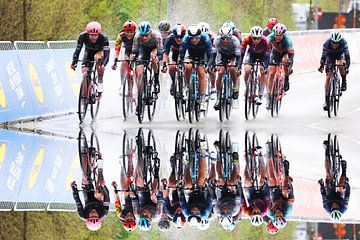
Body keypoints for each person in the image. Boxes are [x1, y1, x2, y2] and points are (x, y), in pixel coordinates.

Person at [178, 139, 213, 229]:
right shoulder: (205, 213)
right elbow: (210, 199)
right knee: (201, 178)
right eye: (196, 213)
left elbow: (182, 201)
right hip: (202, 196)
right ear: (200, 215)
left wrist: (181, 188)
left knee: (188, 184)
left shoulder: (186, 212)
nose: (194, 210)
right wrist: (208, 186)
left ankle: (186, 164)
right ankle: (202, 153)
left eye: (192, 213)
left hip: (191, 197)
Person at [208, 141, 242, 232]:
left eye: (224, 212)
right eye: (227, 212)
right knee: (232, 182)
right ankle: (235, 165)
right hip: (232, 196)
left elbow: (213, 196)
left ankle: (218, 152)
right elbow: (239, 194)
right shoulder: (235, 209)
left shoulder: (216, 210)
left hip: (222, 196)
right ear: (231, 213)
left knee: (220, 178)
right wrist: (238, 183)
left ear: (221, 213)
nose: (225, 210)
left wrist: (211, 186)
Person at [179, 24, 213, 111]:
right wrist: (180, 63)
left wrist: (208, 66)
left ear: (200, 36)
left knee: (202, 73)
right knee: (188, 66)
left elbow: (210, 55)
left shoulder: (205, 38)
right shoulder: (185, 39)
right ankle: (186, 85)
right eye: (192, 38)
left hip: (202, 55)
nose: (194, 40)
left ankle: (202, 99)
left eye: (197, 38)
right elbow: (182, 53)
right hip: (190, 54)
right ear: (189, 37)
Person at [71, 158, 110, 231]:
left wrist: (74, 190)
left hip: (88, 198)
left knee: (84, 178)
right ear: (99, 217)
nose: (93, 213)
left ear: (87, 217)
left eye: (92, 216)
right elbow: (107, 197)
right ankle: (100, 169)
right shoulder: (104, 213)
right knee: (98, 191)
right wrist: (103, 186)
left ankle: (86, 158)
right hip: (98, 199)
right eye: (95, 216)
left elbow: (78, 202)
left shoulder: (82, 215)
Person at [71, 21, 110, 93]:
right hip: (88, 52)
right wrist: (74, 62)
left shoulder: (104, 38)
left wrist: (103, 65)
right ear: (88, 34)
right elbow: (77, 50)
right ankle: (84, 97)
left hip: (99, 52)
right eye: (91, 35)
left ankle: (100, 82)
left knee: (97, 58)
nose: (93, 37)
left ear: (99, 34)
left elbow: (107, 55)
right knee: (84, 73)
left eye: (95, 35)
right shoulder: (82, 36)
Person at [211, 25, 241, 111]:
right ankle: (218, 98)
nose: (225, 40)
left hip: (232, 56)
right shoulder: (216, 40)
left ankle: (235, 86)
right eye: (223, 38)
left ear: (231, 37)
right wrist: (212, 64)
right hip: (222, 56)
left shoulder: (235, 41)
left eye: (227, 38)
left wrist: (238, 67)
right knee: (220, 73)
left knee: (232, 68)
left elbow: (238, 57)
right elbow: (213, 55)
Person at [318, 140, 350, 222]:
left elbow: (323, 195)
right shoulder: (344, 208)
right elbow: (347, 194)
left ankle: (327, 149)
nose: (335, 206)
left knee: (328, 174)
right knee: (340, 187)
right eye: (337, 208)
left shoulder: (326, 206)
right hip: (339, 196)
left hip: (330, 195)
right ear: (340, 210)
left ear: (330, 210)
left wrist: (322, 186)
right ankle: (344, 169)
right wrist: (346, 184)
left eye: (333, 208)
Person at [318, 30, 350, 111]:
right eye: (333, 43)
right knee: (328, 76)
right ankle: (326, 100)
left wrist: (347, 67)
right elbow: (323, 57)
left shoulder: (344, 43)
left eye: (337, 43)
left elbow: (347, 56)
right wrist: (321, 66)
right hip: (330, 56)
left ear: (340, 41)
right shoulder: (326, 43)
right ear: (330, 41)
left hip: (340, 55)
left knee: (341, 65)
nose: (335, 45)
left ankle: (343, 81)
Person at [266, 140, 294, 230]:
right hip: (285, 199)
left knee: (271, 177)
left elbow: (266, 199)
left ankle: (269, 154)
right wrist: (289, 182)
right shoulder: (287, 211)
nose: (278, 213)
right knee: (285, 190)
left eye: (276, 215)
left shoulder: (270, 213)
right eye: (280, 215)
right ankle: (286, 171)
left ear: (274, 217)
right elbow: (291, 197)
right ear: (283, 216)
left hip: (274, 198)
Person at [240, 26, 270, 105]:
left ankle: (260, 95)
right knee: (247, 70)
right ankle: (248, 87)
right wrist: (239, 65)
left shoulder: (265, 40)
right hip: (252, 54)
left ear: (261, 37)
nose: (256, 40)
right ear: (251, 36)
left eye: (258, 38)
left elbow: (267, 55)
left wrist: (265, 66)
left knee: (263, 72)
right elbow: (242, 53)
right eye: (254, 38)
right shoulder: (247, 39)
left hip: (263, 56)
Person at [130, 21, 163, 95]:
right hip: (143, 49)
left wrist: (158, 58)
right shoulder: (137, 36)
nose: (144, 37)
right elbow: (135, 51)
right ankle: (140, 96)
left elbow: (161, 53)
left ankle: (156, 79)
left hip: (154, 49)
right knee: (139, 70)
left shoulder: (157, 36)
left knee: (153, 56)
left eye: (146, 35)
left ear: (150, 32)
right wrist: (132, 57)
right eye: (142, 35)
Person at [241, 150, 271, 227]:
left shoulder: (247, 212)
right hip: (263, 197)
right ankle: (261, 158)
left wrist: (240, 188)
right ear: (261, 214)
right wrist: (264, 183)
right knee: (263, 179)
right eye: (258, 213)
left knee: (247, 180)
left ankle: (246, 161)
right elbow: (267, 197)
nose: (256, 211)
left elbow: (242, 200)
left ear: (251, 214)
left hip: (251, 197)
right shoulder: (265, 210)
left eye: (254, 213)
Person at [266, 23, 294, 105]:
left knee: (286, 61)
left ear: (283, 34)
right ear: (274, 34)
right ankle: (269, 95)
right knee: (271, 73)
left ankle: (286, 79)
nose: (278, 37)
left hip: (285, 52)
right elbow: (265, 48)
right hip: (275, 53)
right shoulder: (270, 37)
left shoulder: (288, 40)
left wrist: (290, 66)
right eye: (276, 35)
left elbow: (291, 55)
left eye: (280, 36)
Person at [161, 156, 187, 229]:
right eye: (180, 214)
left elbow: (165, 197)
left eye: (176, 214)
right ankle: (187, 166)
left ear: (173, 216)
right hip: (187, 198)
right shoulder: (187, 213)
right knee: (188, 184)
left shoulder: (169, 212)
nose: (178, 212)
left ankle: (173, 167)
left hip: (176, 200)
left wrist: (164, 186)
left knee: (171, 184)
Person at [162, 23, 187, 96]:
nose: (179, 39)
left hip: (186, 53)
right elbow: (165, 53)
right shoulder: (169, 38)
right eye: (177, 37)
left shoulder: (187, 38)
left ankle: (187, 84)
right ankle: (173, 83)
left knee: (187, 66)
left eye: (181, 37)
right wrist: (164, 65)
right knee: (171, 66)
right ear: (173, 35)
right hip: (175, 53)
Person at [111, 20, 137, 85]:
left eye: (131, 32)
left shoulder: (137, 35)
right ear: (124, 31)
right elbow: (117, 50)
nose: (129, 34)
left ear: (134, 31)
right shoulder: (120, 36)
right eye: (127, 31)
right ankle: (122, 83)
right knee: (124, 63)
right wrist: (115, 61)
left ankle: (138, 86)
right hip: (128, 50)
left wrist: (135, 56)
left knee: (138, 67)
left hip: (137, 50)